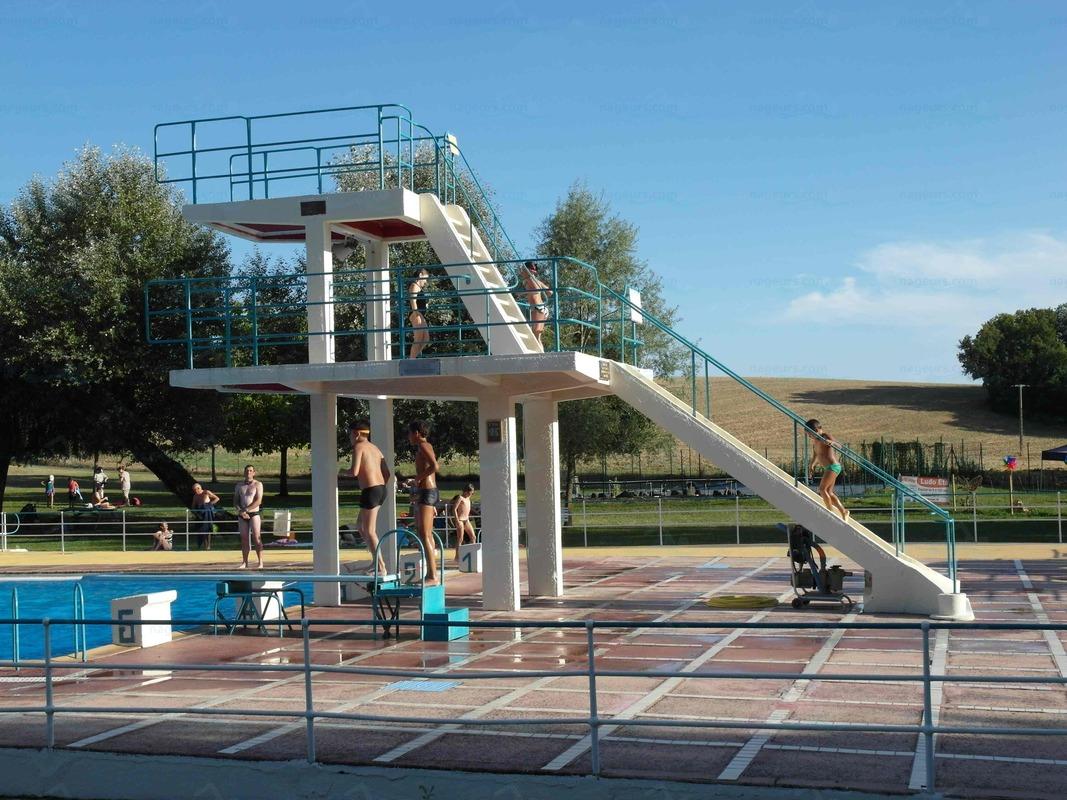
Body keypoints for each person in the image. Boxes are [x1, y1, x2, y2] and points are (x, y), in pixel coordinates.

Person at [340, 420, 392, 574]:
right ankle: (375, 562)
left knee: (369, 530)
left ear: (356, 434)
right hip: (381, 489)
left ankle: (381, 567)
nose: (349, 438)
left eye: (349, 434)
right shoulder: (376, 449)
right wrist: (379, 485)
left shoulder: (358, 447)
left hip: (370, 490)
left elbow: (354, 472)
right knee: (361, 527)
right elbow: (387, 473)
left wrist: (341, 471)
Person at [403, 419, 440, 584]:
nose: (408, 437)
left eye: (409, 433)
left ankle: (432, 575)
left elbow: (434, 466)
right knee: (424, 534)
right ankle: (431, 573)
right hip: (425, 492)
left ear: (417, 433)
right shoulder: (424, 447)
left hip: (428, 492)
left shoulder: (424, 446)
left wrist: (417, 479)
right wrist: (415, 483)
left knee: (425, 535)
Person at [805, 419, 849, 521]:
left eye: (809, 434)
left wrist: (830, 442)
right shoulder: (815, 441)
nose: (809, 436)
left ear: (816, 430)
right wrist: (811, 465)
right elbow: (816, 454)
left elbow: (839, 446)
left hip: (833, 466)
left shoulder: (825, 436)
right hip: (828, 468)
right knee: (829, 492)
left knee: (822, 489)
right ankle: (844, 511)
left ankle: (830, 512)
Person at [233, 464, 265, 569]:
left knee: (256, 537)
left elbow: (258, 501)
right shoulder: (239, 486)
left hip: (254, 513)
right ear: (244, 472)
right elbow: (236, 501)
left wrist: (246, 510)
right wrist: (241, 512)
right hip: (242, 514)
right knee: (244, 538)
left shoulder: (258, 484)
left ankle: (260, 562)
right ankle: (245, 562)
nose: (248, 472)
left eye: (251, 471)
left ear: (254, 473)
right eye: (247, 470)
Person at [519, 261, 552, 339]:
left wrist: (534, 296)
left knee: (535, 335)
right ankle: (540, 351)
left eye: (523, 269)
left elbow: (536, 289)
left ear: (527, 270)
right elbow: (550, 292)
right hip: (539, 308)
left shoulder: (529, 279)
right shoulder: (534, 280)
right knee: (536, 336)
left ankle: (540, 351)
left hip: (538, 309)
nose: (521, 271)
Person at [407, 268, 431, 358]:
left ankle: (413, 357)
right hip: (416, 314)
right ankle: (411, 360)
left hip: (420, 314)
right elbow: (412, 299)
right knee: (418, 338)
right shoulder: (414, 285)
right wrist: (415, 313)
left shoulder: (419, 287)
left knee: (425, 339)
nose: (425, 282)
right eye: (425, 279)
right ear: (420, 275)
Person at [451, 484, 477, 565]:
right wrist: (457, 520)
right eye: (470, 493)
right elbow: (454, 509)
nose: (471, 495)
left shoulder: (468, 498)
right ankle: (457, 557)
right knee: (460, 538)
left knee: (473, 537)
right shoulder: (460, 498)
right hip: (460, 520)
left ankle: (473, 554)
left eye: (472, 493)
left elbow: (467, 507)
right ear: (466, 491)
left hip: (466, 520)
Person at [191, 482, 221, 550]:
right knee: (202, 529)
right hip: (200, 513)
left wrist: (209, 504)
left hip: (208, 512)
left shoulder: (206, 492)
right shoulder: (195, 496)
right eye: (194, 490)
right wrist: (196, 513)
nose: (195, 491)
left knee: (208, 528)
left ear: (199, 488)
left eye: (195, 490)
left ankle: (208, 545)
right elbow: (193, 506)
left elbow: (217, 498)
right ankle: (205, 545)